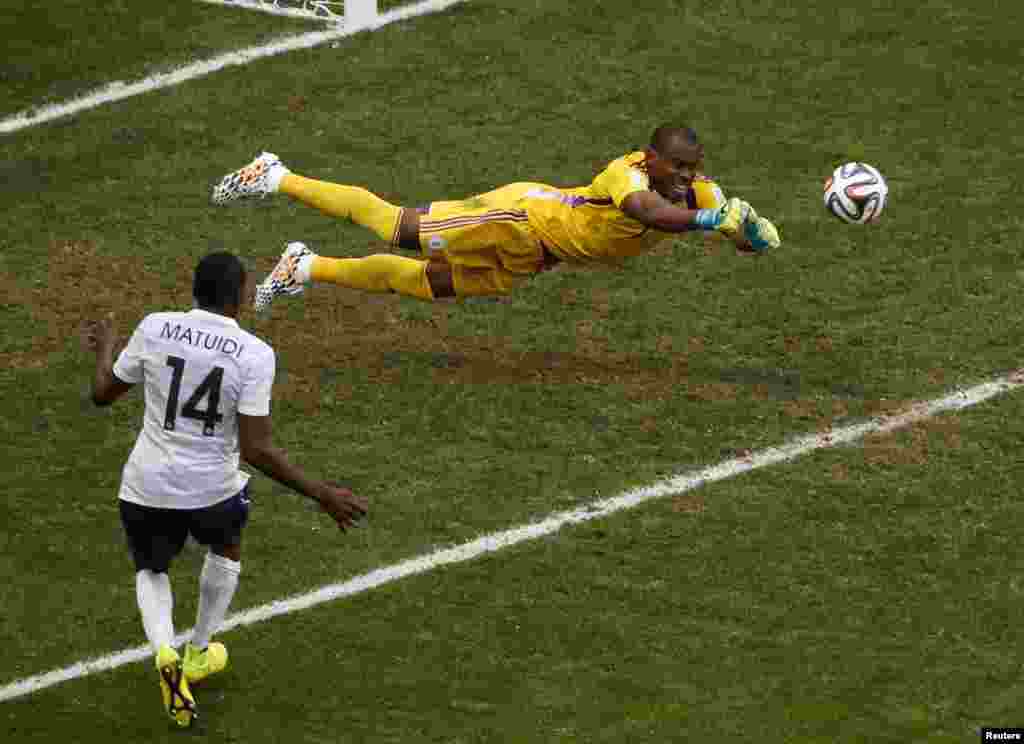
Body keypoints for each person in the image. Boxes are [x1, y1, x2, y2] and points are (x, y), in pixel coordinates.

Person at [80, 252, 368, 728]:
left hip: (145, 485)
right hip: (213, 489)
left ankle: (164, 654)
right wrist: (321, 492)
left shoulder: (154, 327)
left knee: (151, 568)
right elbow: (256, 449)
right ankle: (196, 652)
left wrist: (104, 349)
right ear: (238, 296)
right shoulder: (254, 354)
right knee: (227, 547)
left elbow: (103, 393)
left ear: (194, 290)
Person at [209, 125, 781, 312]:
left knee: (430, 284)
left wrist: (748, 232)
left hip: (539, 254)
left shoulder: (699, 193)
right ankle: (274, 175)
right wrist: (712, 223)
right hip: (520, 219)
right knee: (399, 227)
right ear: (651, 156)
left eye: (692, 167)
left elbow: (742, 235)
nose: (685, 175)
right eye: (676, 165)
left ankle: (305, 267)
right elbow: (646, 213)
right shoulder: (625, 175)